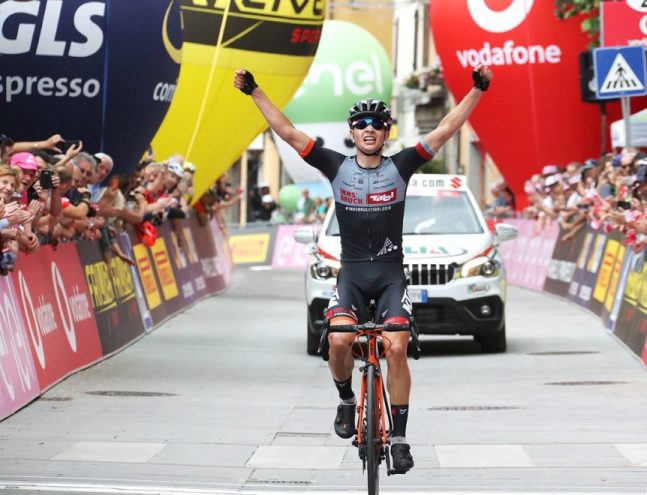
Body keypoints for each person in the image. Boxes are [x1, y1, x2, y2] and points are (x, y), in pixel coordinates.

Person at [234, 64, 492, 473]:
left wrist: (477, 90)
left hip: (390, 276)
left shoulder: (402, 166)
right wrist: (255, 91)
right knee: (338, 340)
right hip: (352, 275)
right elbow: (286, 132)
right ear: (352, 132)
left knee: (398, 347)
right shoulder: (335, 167)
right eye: (360, 124)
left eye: (376, 124)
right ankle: (346, 400)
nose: (369, 129)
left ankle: (402, 439)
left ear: (386, 132)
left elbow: (444, 129)